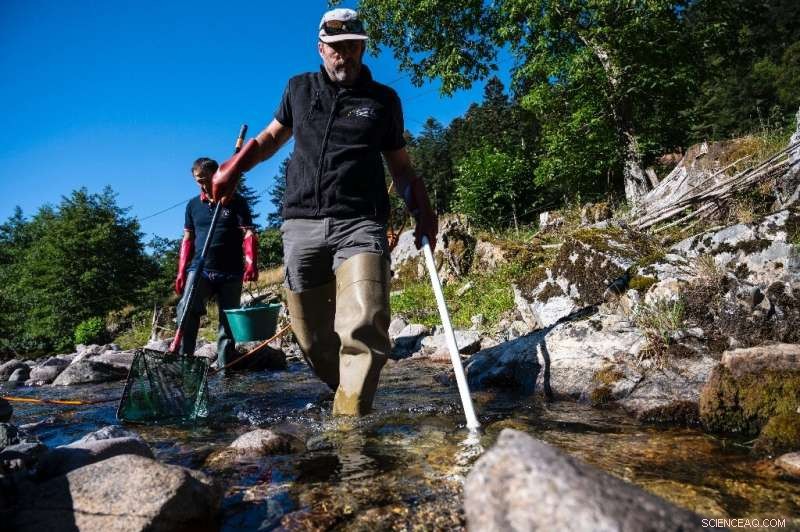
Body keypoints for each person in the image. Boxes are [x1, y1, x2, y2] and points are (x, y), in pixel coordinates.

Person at [209, 8, 437, 416]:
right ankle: (346, 393)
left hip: (360, 223)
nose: (344, 56)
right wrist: (233, 167)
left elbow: (400, 168)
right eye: (335, 48)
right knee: (313, 340)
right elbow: (268, 139)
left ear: (362, 49)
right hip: (301, 225)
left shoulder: (383, 101)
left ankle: (352, 433)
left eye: (352, 47)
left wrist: (420, 205)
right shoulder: (298, 89)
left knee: (364, 320)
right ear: (321, 48)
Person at [174, 157, 259, 369]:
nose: (202, 184)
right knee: (186, 310)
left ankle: (225, 368)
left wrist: (251, 262)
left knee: (227, 323)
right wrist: (181, 272)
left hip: (231, 271)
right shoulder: (193, 206)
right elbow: (187, 239)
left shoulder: (236, 202)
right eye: (197, 180)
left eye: (205, 178)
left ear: (217, 175)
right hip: (200, 268)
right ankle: (186, 364)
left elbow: (248, 233)